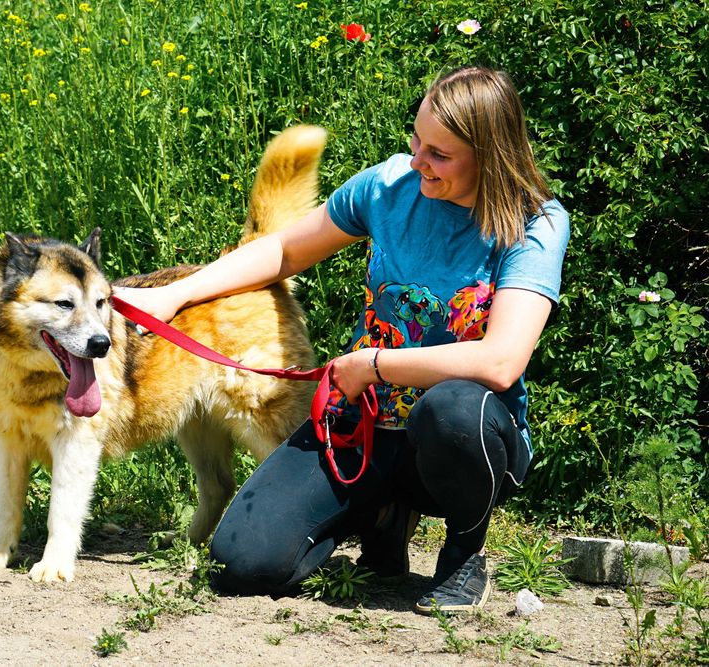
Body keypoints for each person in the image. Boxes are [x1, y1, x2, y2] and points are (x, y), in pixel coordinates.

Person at [114, 66, 570, 613]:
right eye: (416, 141)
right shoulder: (390, 185)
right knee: (240, 562)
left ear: (489, 154)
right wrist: (176, 295)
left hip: (458, 439)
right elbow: (282, 253)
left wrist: (374, 365)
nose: (418, 160)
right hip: (364, 426)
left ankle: (464, 554)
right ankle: (378, 514)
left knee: (451, 407)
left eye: (439, 154)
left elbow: (499, 361)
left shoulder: (535, 224)